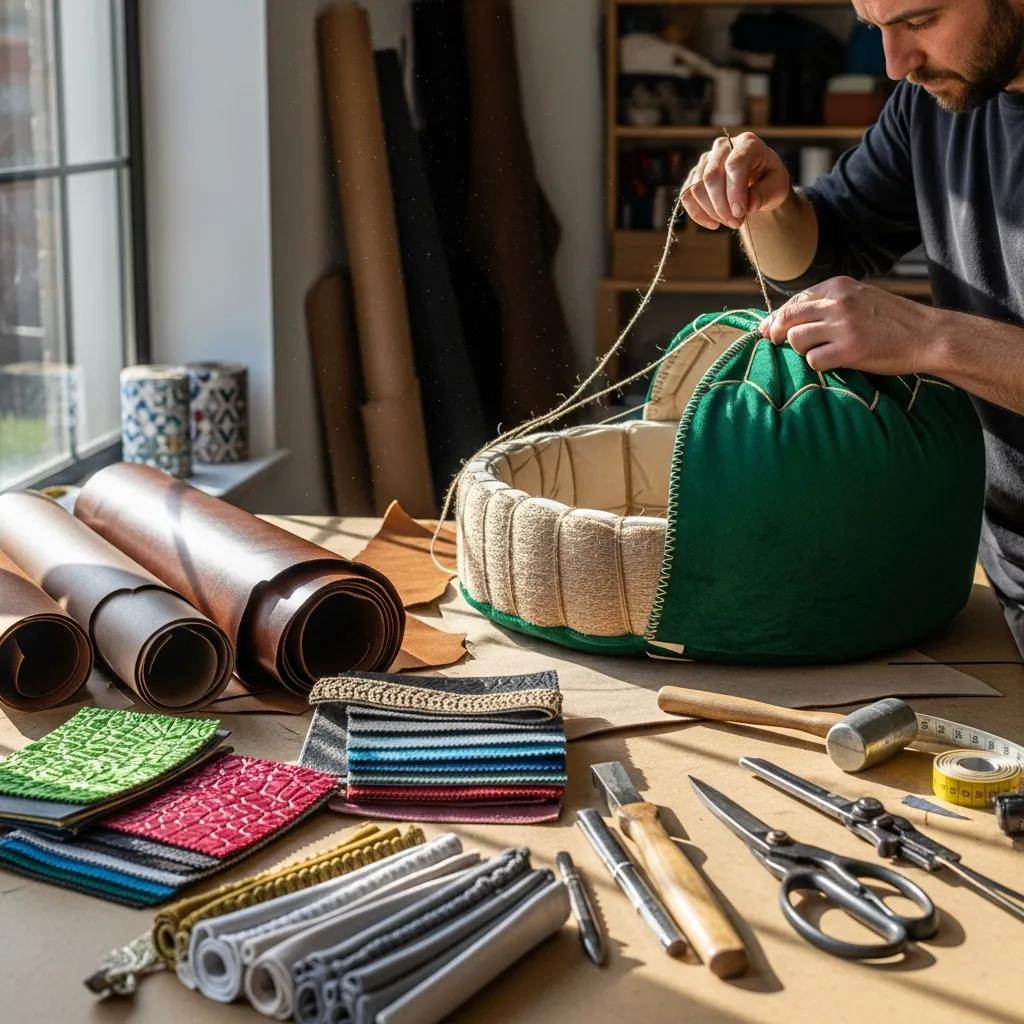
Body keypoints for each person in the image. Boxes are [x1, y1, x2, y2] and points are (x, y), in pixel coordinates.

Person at [681, 0, 1024, 653]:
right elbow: (831, 246)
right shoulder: (936, 99)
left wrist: (928, 338)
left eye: (919, 22)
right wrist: (770, 205)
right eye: (875, 27)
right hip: (992, 578)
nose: (896, 65)